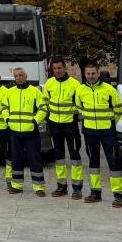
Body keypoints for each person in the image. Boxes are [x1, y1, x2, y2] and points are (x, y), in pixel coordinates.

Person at [75, 64, 122, 206]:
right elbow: (79, 109)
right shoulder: (80, 90)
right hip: (90, 132)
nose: (91, 76)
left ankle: (119, 194)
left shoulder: (109, 89)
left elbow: (118, 110)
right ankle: (95, 192)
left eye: (93, 73)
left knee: (114, 162)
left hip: (108, 133)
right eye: (88, 73)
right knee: (93, 163)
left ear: (98, 73)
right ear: (85, 75)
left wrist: (110, 124)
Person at [4, 67, 47, 196]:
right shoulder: (10, 92)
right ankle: (16, 185)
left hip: (31, 132)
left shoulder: (35, 92)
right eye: (16, 76)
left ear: (26, 76)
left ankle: (39, 187)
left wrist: (35, 121)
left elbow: (43, 108)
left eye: (20, 75)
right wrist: (7, 120)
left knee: (35, 159)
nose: (18, 78)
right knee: (16, 159)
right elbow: (4, 108)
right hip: (15, 132)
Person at [44, 59, 83, 198]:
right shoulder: (49, 83)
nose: (57, 70)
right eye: (55, 68)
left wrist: (76, 117)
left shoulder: (75, 84)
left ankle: (77, 188)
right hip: (54, 125)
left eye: (60, 67)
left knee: (75, 156)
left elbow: (81, 104)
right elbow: (45, 102)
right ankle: (61, 186)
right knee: (58, 156)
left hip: (70, 126)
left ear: (65, 68)